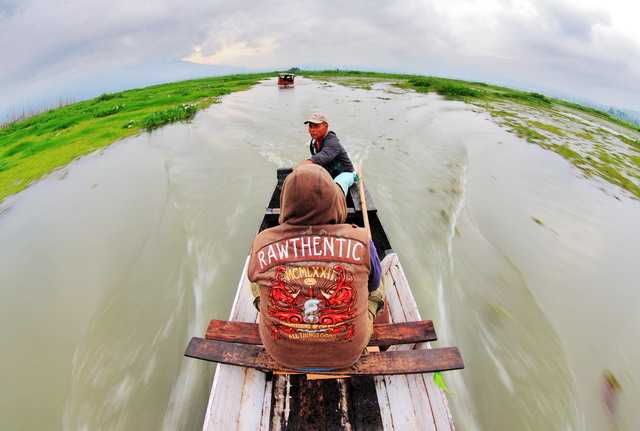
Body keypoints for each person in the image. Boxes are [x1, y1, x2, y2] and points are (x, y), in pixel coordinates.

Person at [248, 164, 385, 370]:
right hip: (347, 354)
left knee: (256, 281)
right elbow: (373, 285)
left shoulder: (262, 242)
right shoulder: (361, 239)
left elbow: (253, 277)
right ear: (335, 201)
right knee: (379, 283)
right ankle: (373, 330)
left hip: (281, 353)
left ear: (285, 202)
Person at [299, 113, 357, 196]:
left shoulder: (332, 141)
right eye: (310, 126)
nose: (312, 130)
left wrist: (302, 166)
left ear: (326, 126)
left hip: (345, 173)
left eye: (316, 126)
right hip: (329, 174)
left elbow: (323, 156)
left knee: (335, 191)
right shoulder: (314, 142)